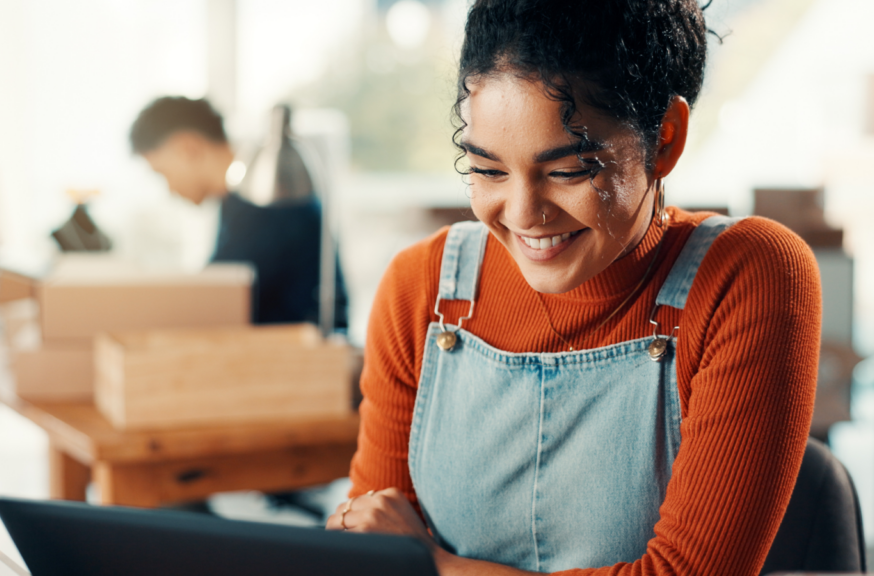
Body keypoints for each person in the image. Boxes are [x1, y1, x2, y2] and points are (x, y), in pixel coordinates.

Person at [325, 1, 820, 575]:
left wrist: (436, 566)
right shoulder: (423, 289)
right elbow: (371, 553)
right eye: (487, 170)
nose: (523, 213)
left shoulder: (748, 275)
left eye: (567, 171)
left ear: (665, 137)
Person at [129, 97, 347, 328]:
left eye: (162, 173)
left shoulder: (265, 202)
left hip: (299, 354)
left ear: (187, 148)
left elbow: (214, 297)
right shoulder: (237, 202)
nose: (170, 189)